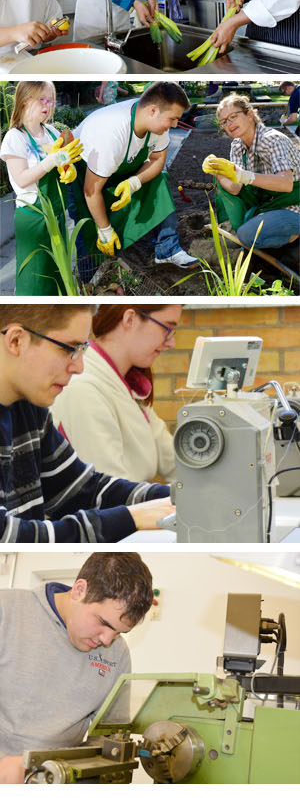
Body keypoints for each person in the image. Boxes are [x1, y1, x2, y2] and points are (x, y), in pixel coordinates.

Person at [0, 303, 172, 549]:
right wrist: (131, 517)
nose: (79, 367)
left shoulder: (28, 408)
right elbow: (8, 537)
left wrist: (179, 497)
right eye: (69, 349)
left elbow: (83, 490)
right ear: (16, 341)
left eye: (82, 349)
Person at [0, 550, 153, 785]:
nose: (106, 640)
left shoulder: (117, 653)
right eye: (103, 623)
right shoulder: (7, 611)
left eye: (119, 632)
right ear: (80, 590)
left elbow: (109, 740)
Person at [72, 81, 199, 268]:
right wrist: (105, 230)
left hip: (117, 169)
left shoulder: (156, 124)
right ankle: (91, 278)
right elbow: (91, 191)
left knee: (159, 180)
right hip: (86, 178)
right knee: (90, 237)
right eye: (172, 119)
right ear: (153, 110)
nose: (174, 125)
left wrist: (134, 182)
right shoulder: (111, 133)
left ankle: (167, 250)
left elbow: (157, 160)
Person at [53, 303, 180, 481]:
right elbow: (108, 490)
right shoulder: (83, 390)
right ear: (130, 319)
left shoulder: (128, 383)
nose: (171, 343)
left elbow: (176, 463)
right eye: (167, 328)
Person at [0, 81, 82, 295]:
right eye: (42, 99)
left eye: (51, 100)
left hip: (58, 214)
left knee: (60, 272)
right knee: (35, 276)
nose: (48, 105)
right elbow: (21, 179)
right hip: (33, 218)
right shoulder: (15, 138)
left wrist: (69, 169)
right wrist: (50, 161)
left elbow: (64, 163)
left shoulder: (53, 132)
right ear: (25, 101)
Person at [204, 93, 300, 262]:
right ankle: (262, 237)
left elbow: (286, 184)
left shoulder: (272, 140)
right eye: (224, 122)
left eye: (233, 117)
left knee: (246, 235)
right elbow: (235, 188)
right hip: (269, 205)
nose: (229, 124)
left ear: (249, 114)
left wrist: (244, 175)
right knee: (222, 179)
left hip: (293, 206)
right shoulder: (237, 145)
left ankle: (293, 243)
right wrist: (217, 172)